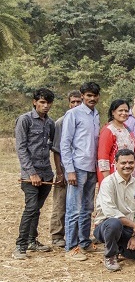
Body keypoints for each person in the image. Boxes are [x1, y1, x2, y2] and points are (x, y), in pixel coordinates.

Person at [92, 149, 135, 271]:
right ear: (116, 164)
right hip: (106, 227)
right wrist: (134, 226)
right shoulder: (108, 183)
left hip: (128, 228)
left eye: (130, 162)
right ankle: (110, 256)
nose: (127, 166)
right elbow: (110, 212)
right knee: (114, 223)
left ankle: (120, 249)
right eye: (123, 163)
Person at [12, 88, 56, 260]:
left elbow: (52, 146)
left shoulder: (50, 123)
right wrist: (31, 173)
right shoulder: (25, 120)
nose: (45, 106)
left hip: (46, 173)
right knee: (30, 209)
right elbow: (21, 149)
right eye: (42, 102)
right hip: (30, 175)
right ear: (35, 102)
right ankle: (20, 245)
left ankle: (32, 240)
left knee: (37, 209)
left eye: (48, 103)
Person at [61, 81, 101, 261]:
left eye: (94, 96)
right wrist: (69, 170)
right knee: (73, 209)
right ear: (83, 96)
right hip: (77, 167)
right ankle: (71, 247)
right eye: (88, 96)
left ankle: (84, 242)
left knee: (87, 208)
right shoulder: (73, 114)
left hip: (92, 167)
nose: (92, 99)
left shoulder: (96, 115)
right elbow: (65, 143)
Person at [49, 90, 81, 248]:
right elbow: (56, 150)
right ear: (69, 103)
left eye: (78, 102)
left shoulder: (85, 121)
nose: (75, 105)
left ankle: (75, 234)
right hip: (64, 169)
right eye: (73, 102)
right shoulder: (61, 122)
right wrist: (60, 172)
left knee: (77, 204)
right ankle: (57, 235)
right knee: (60, 202)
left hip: (80, 169)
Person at [98, 99, 135, 184]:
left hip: (129, 171)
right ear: (113, 112)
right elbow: (103, 157)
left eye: (126, 111)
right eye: (120, 110)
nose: (124, 113)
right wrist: (108, 180)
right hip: (114, 173)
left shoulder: (127, 129)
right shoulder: (109, 130)